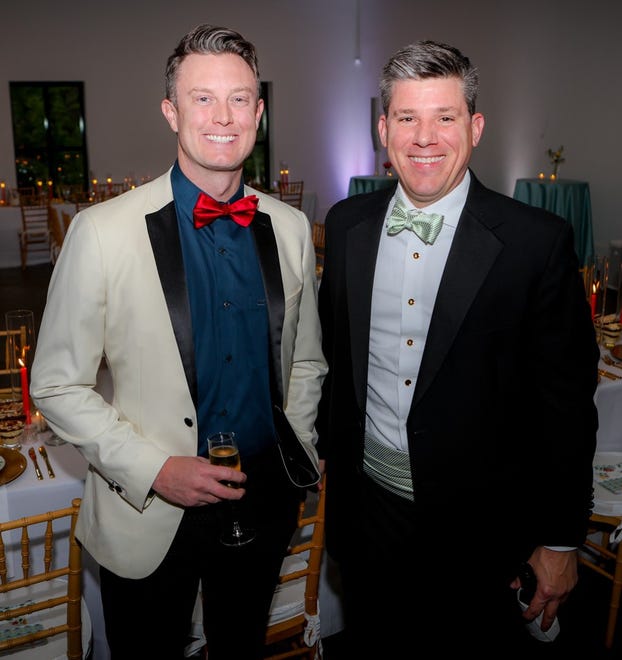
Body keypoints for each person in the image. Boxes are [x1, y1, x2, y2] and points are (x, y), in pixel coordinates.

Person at [31, 23, 327, 660]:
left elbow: (305, 359)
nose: (223, 116)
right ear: (171, 110)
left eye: (240, 98)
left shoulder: (292, 227)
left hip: (263, 502)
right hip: (147, 512)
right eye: (202, 98)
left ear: (259, 110)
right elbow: (55, 383)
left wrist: (291, 448)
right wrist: (154, 469)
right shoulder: (100, 232)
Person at [316, 40, 599, 656]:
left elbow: (567, 408)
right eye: (408, 118)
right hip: (368, 519)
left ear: (474, 128)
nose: (425, 137)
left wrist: (558, 541)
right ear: (383, 128)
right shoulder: (345, 226)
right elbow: (337, 360)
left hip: (484, 534)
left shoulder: (535, 243)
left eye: (444, 117)